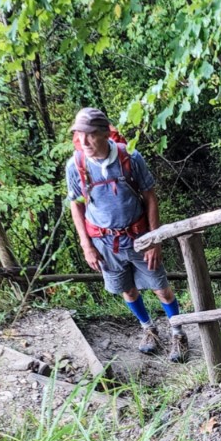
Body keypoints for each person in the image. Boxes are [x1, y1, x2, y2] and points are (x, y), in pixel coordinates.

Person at [65, 107, 188, 361]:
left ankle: (178, 333)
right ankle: (148, 328)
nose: (84, 142)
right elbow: (76, 204)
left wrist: (155, 239)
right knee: (128, 289)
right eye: (79, 135)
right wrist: (86, 245)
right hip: (103, 241)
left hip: (139, 237)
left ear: (105, 133)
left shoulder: (130, 157)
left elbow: (150, 196)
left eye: (90, 135)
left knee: (160, 287)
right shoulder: (75, 166)